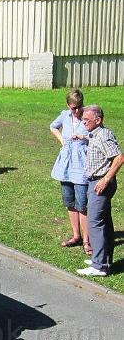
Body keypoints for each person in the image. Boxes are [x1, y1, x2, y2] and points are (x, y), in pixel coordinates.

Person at [76, 105, 124, 277]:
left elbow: (119, 157)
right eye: (83, 120)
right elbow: (93, 140)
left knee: (94, 223)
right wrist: (82, 136)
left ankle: (99, 266)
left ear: (98, 120)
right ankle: (104, 259)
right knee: (104, 223)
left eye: (87, 120)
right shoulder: (95, 133)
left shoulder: (103, 135)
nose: (83, 122)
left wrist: (105, 179)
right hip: (95, 182)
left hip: (100, 183)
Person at [50, 89, 90, 254]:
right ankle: (76, 236)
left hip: (81, 166)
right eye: (73, 107)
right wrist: (62, 141)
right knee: (70, 203)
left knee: (83, 205)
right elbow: (53, 126)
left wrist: (84, 138)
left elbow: (97, 135)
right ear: (68, 105)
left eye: (79, 107)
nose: (77, 111)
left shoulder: (88, 117)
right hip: (66, 165)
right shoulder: (65, 116)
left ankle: (87, 241)